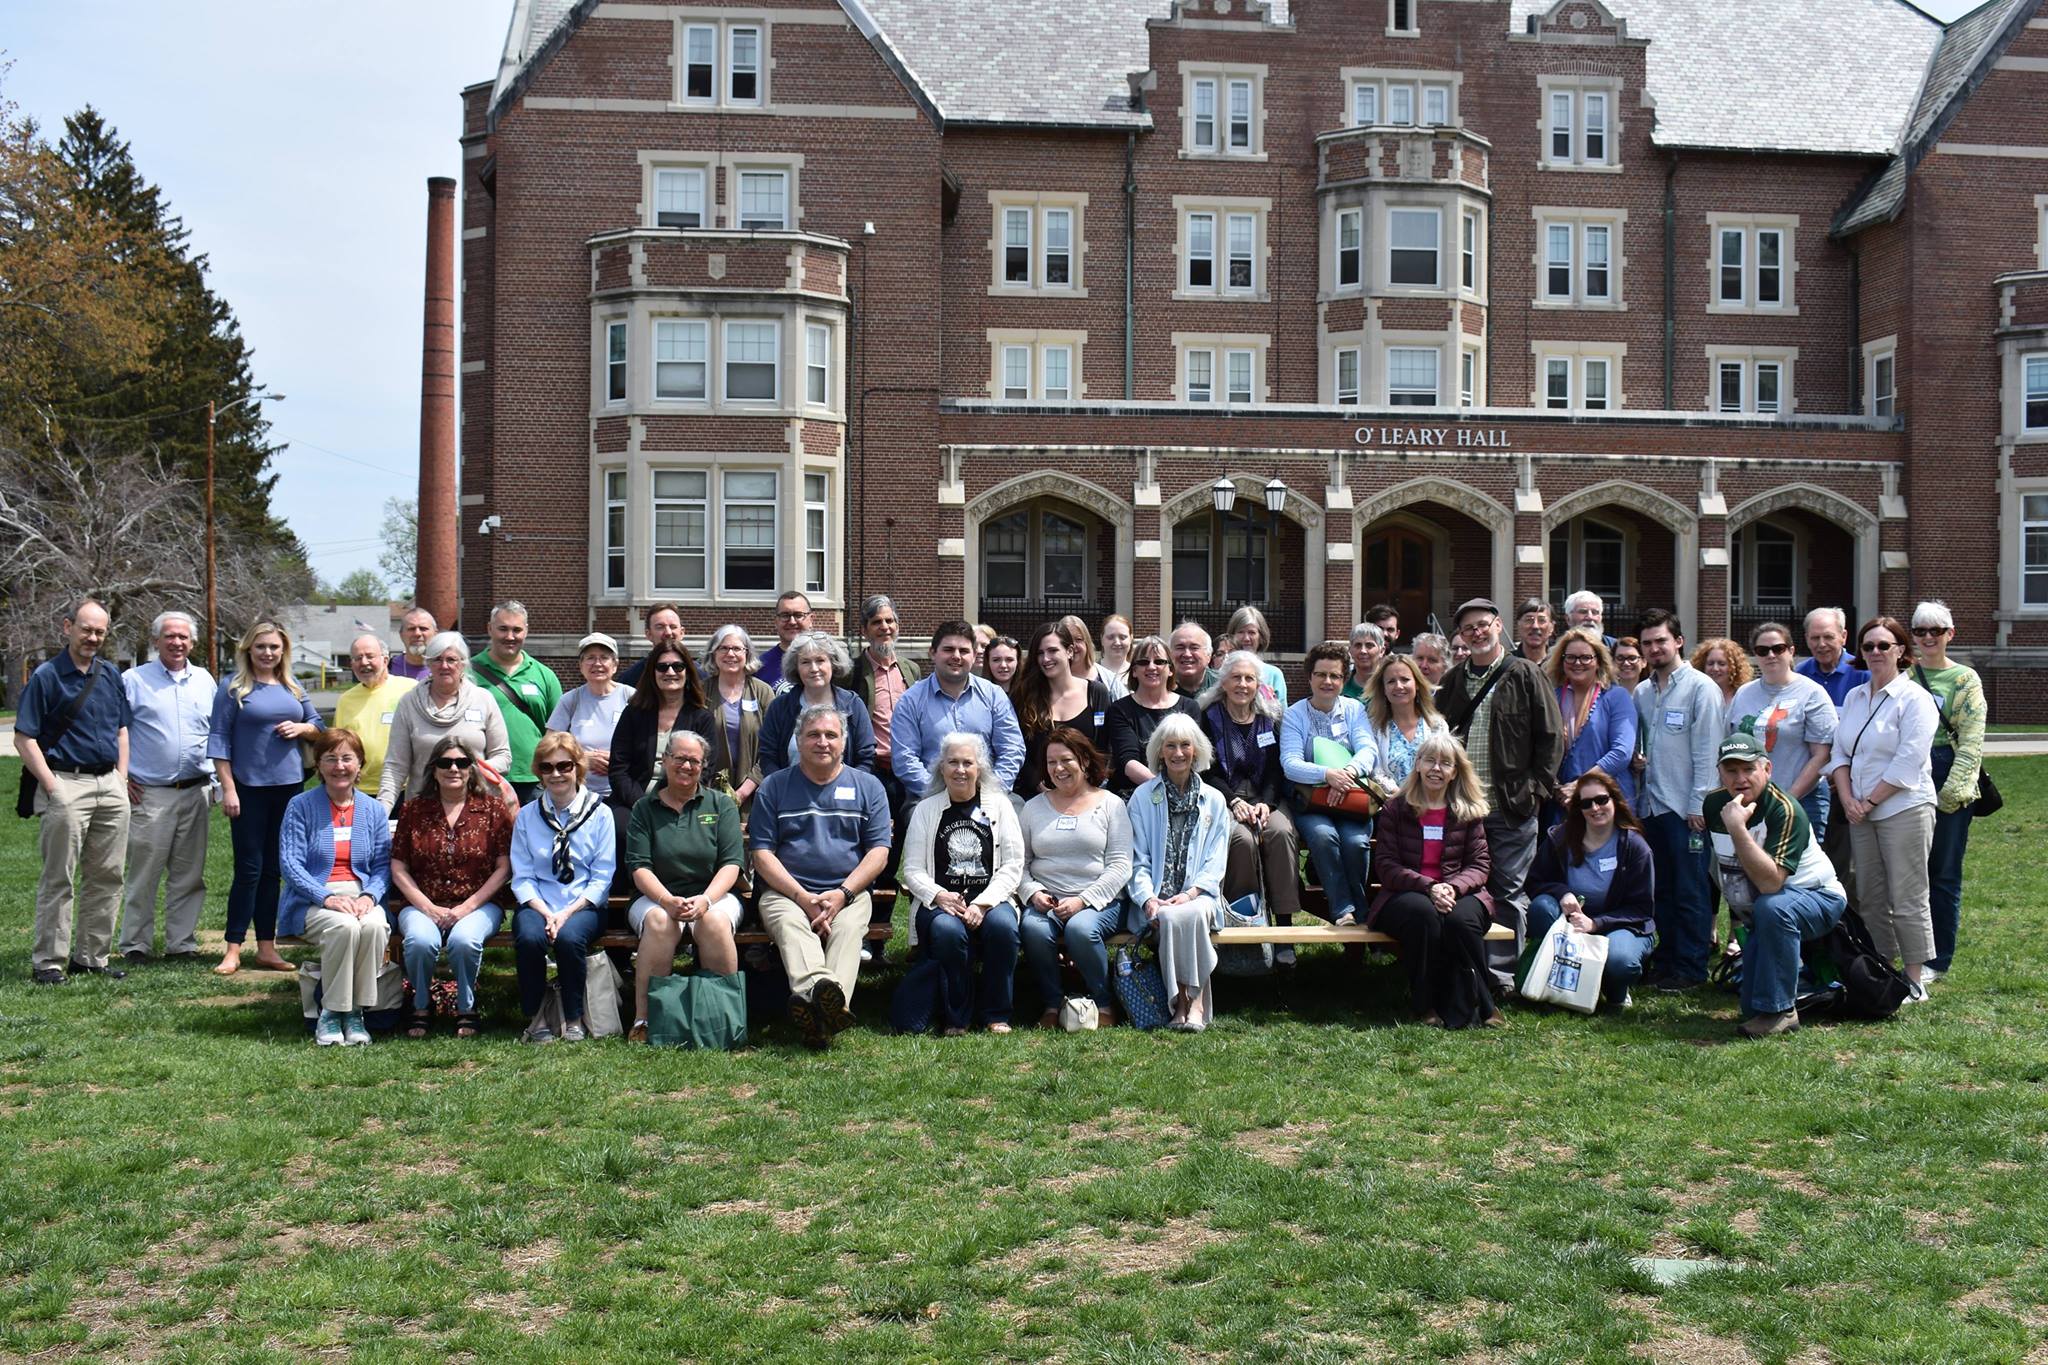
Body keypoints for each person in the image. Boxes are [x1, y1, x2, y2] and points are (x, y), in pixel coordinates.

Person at [1436, 598, 1567, 989]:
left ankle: (1502, 978)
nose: (1476, 632)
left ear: (1498, 626)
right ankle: (1465, 968)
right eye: (1467, 628)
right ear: (1460, 636)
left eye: (1483, 624)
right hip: (1461, 808)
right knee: (1464, 890)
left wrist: (1536, 791)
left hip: (1511, 806)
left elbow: (1551, 737)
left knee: (1509, 892)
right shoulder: (1454, 680)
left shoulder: (1525, 673)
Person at [750, 705, 893, 1048]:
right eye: (813, 734)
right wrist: (803, 898)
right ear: (798, 741)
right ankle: (830, 1005)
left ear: (844, 742)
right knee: (791, 926)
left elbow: (879, 853)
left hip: (850, 894)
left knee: (846, 931)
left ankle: (817, 1009)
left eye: (831, 735)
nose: (822, 742)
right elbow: (762, 855)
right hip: (785, 893)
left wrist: (842, 893)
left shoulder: (868, 787)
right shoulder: (774, 786)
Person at [16, 598, 133, 985]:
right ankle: (49, 962)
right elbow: (24, 737)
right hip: (67, 783)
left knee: (108, 876)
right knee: (59, 877)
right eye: (86, 629)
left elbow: (121, 729)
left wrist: (121, 777)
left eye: (100, 631)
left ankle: (91, 958)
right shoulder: (47, 676)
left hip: (109, 785)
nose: (93, 637)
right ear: (68, 627)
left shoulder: (110, 674)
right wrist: (54, 787)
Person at [1824, 615, 1938, 1000]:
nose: (1875, 652)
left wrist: (1869, 801)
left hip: (1903, 808)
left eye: (1883, 646)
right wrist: (1848, 800)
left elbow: (1908, 761)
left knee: (1907, 894)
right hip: (1858, 810)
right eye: (1868, 646)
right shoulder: (1856, 696)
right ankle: (1882, 968)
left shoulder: (1916, 700)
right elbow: (1840, 752)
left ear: (1901, 651)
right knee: (1870, 895)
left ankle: (1915, 977)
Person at [1708, 733, 1848, 1037]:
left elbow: (1771, 884)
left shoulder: (1785, 809)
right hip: (1766, 909)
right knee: (1749, 1007)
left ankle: (1782, 1011)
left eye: (1748, 769)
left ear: (1767, 770)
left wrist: (1736, 827)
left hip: (1819, 897)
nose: (1740, 778)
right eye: (1731, 770)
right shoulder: (1713, 805)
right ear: (1720, 773)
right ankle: (1774, 1001)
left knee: (1774, 906)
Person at [210, 619, 324, 977]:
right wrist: (228, 788)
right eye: (261, 647)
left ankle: (266, 948)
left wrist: (303, 728)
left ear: (283, 651)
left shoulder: (292, 687)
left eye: (274, 647)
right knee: (249, 870)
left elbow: (319, 724)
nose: (267, 653)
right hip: (247, 788)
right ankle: (232, 949)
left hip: (289, 790)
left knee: (274, 871)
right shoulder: (233, 687)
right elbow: (218, 740)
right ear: (248, 649)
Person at [1368, 733, 1501, 1029]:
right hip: (1404, 894)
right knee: (1425, 915)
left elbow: (1480, 865)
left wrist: (1451, 888)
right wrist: (1429, 887)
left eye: (1445, 763)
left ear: (1456, 771)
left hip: (1460, 892)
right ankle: (1425, 1005)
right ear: (1417, 765)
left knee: (1461, 921)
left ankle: (1485, 1004)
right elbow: (1386, 865)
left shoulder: (1469, 811)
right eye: (1429, 760)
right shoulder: (1396, 808)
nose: (1436, 769)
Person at [899, 732, 1026, 1034]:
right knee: (947, 931)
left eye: (967, 762)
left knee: (1003, 928)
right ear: (941, 768)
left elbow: (1013, 865)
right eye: (952, 762)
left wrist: (983, 903)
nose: (960, 769)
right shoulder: (925, 810)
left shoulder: (1000, 806)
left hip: (992, 899)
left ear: (979, 768)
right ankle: (957, 1016)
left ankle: (997, 1013)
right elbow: (912, 870)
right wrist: (940, 895)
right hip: (941, 902)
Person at [623, 729, 743, 1043]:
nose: (687, 766)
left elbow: (731, 863)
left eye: (695, 761)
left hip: (714, 894)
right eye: (680, 758)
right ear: (665, 760)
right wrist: (666, 900)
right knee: (661, 923)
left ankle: (724, 1022)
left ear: (704, 766)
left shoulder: (721, 805)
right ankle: (646, 1020)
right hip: (655, 897)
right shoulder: (644, 808)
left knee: (715, 922)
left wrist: (705, 900)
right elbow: (639, 868)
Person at [390, 736, 514, 1039]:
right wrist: (426, 906)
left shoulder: (493, 810)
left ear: (472, 769)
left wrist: (466, 907)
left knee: (465, 941)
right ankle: (421, 1004)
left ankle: (466, 1006)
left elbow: (504, 867)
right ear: (433, 770)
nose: (454, 768)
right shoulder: (414, 810)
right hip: (423, 902)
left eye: (462, 762)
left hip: (478, 903)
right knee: (419, 941)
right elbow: (398, 866)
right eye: (445, 763)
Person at [1631, 608, 1726, 991]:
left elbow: (1709, 751)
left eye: (1660, 641)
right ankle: (1667, 959)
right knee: (1662, 889)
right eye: (1647, 643)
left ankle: (1691, 966)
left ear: (1678, 642)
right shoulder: (1641, 691)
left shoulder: (1701, 688)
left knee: (1691, 889)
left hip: (1686, 810)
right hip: (1651, 805)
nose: (1654, 649)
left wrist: (1698, 805)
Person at [279, 729, 393, 1046]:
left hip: (362, 896)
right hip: (313, 899)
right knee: (343, 928)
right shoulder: (299, 806)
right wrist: (327, 897)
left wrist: (370, 896)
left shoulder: (372, 810)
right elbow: (291, 864)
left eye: (347, 758)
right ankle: (332, 1011)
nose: (339, 766)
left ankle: (355, 1010)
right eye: (330, 759)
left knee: (373, 927)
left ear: (360, 765)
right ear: (318, 765)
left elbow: (383, 865)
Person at [118, 609, 215, 964]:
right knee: (144, 873)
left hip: (197, 790)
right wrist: (122, 776)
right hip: (150, 793)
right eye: (170, 636)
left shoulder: (205, 680)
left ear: (192, 642)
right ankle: (135, 945)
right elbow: (117, 731)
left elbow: (214, 734)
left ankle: (181, 944)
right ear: (156, 640)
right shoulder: (133, 680)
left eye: (183, 637)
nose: (177, 642)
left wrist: (218, 782)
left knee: (189, 875)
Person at [1019, 730, 1134, 1027]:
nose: (1058, 768)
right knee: (1032, 927)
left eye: (1066, 760)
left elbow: (1121, 864)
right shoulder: (1033, 808)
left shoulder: (1111, 804)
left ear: (1084, 760)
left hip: (1100, 901)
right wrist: (1033, 893)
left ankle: (1105, 1001)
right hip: (1049, 901)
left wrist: (1083, 900)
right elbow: (1020, 864)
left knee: (1080, 930)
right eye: (1051, 762)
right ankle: (1052, 1004)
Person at [510, 732, 618, 1043]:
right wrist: (546, 914)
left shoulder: (600, 813)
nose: (556, 774)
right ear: (538, 772)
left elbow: (602, 875)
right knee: (530, 937)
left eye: (564, 766)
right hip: (539, 903)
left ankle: (573, 1017)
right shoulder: (528, 816)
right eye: (547, 768)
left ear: (578, 768)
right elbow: (523, 875)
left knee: (570, 939)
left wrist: (566, 913)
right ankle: (536, 1016)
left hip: (583, 904)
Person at [1198, 651, 1302, 962]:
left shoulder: (1268, 718)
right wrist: (1233, 801)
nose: (1243, 684)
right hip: (1225, 797)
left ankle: (1283, 932)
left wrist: (1267, 805)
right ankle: (1244, 927)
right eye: (1236, 677)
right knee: (1240, 840)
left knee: (1281, 834)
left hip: (1266, 797)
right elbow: (1206, 770)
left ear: (1258, 683)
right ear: (1223, 682)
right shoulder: (1208, 717)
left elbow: (1275, 769)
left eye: (1249, 678)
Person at [1129, 713, 1229, 1031]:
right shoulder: (1143, 798)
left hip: (1201, 896)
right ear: (1159, 751)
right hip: (1157, 899)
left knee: (1188, 914)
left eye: (1185, 745)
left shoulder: (1214, 800)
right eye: (1170, 745)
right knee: (1170, 916)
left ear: (1196, 751)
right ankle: (1188, 1001)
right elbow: (1137, 860)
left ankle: (1188, 1002)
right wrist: (1149, 900)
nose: (1178, 753)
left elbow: (1216, 861)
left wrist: (1189, 894)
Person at [1526, 769, 1656, 1009]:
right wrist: (1562, 892)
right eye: (1586, 803)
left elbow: (1641, 909)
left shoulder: (1635, 848)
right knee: (1541, 908)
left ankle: (1615, 992)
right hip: (1571, 924)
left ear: (1615, 801)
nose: (1595, 808)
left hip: (1620, 926)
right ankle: (1552, 983)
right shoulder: (1560, 838)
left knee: (1621, 960)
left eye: (1601, 800)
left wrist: (1597, 924)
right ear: (1579, 809)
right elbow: (1534, 881)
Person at [1907, 600, 1985, 981]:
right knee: (1911, 871)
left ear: (1949, 634)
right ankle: (1910, 951)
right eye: (1920, 631)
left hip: (1948, 774)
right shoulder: (1905, 676)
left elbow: (1972, 740)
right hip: (1909, 774)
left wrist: (1951, 792)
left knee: (1943, 872)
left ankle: (1937, 960)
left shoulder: (1964, 679)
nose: (1927, 638)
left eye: (1935, 631)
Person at [1280, 641, 1380, 928]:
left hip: (1350, 796)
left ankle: (1361, 911)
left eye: (1335, 676)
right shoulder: (1294, 714)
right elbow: (1290, 763)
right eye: (1321, 674)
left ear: (1343, 679)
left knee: (1356, 842)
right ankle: (1344, 910)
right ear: (1309, 677)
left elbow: (1367, 751)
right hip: (1312, 800)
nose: (1328, 681)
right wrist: (1327, 775)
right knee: (1324, 838)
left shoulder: (1354, 709)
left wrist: (1346, 773)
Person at [1726, 621, 1836, 841]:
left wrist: (1786, 800)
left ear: (1791, 651)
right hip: (1752, 802)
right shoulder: (1744, 693)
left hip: (1801, 800)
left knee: (1799, 872)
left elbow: (1822, 755)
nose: (1771, 655)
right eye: (1762, 650)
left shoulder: (1812, 693)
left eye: (1778, 648)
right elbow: (1730, 746)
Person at [892, 619, 1026, 798]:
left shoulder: (994, 696)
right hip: (929, 798)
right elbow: (904, 759)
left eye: (964, 651)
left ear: (974, 655)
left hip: (990, 796)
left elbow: (1012, 749)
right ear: (933, 653)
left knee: (1018, 817)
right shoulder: (910, 701)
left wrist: (991, 792)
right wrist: (942, 795)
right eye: (948, 649)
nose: (956, 656)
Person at [380, 631, 513, 810]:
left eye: (451, 660)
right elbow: (395, 766)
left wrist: (469, 769)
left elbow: (503, 757)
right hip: (423, 809)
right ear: (428, 663)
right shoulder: (408, 702)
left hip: (476, 808)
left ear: (463, 663)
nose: (444, 666)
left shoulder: (483, 699)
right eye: (437, 659)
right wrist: (381, 812)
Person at [607, 640, 717, 814]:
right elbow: (619, 768)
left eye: (678, 666)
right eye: (662, 667)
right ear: (653, 673)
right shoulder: (633, 714)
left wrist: (670, 802)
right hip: (632, 803)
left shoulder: (702, 718)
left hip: (683, 801)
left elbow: (706, 770)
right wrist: (641, 805)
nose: (670, 672)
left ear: (688, 672)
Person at [470, 600, 563, 803]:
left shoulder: (544, 675)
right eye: (503, 629)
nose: (510, 636)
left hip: (534, 778)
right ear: (490, 629)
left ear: (526, 631)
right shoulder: (468, 673)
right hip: (484, 776)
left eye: (516, 630)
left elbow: (559, 732)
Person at [1011, 622, 1114, 797]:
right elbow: (1018, 750)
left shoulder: (1096, 693)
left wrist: (1089, 785)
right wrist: (1038, 785)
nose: (1046, 659)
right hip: (1039, 798)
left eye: (1052, 651)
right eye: (1040, 653)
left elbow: (1106, 748)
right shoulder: (1024, 697)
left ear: (1069, 651)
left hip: (1089, 794)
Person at [1546, 629, 1637, 824]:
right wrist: (1556, 788)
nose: (1577, 663)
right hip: (1563, 805)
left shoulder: (1616, 697)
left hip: (1607, 802)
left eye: (1586, 657)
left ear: (1598, 661)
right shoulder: (1551, 697)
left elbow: (1621, 752)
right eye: (1570, 657)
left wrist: (1580, 786)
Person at [758, 631, 878, 776]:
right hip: (788, 795)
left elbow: (866, 758)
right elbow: (768, 757)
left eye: (820, 660)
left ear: (833, 664)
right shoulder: (780, 707)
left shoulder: (853, 705)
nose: (814, 669)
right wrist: (781, 790)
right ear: (796, 667)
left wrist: (850, 788)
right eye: (805, 662)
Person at [850, 595, 922, 820]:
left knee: (907, 836)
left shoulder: (911, 670)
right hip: (872, 769)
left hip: (907, 770)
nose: (885, 627)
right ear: (865, 630)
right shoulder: (850, 672)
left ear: (897, 626)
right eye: (876, 622)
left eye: (890, 621)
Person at [1105, 635, 1200, 798]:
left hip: (1183, 792)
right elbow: (1128, 762)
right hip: (1133, 795)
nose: (1151, 667)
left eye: (1159, 661)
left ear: (1170, 669)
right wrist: (1166, 789)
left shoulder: (1190, 707)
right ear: (1134, 671)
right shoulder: (1119, 710)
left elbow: (1197, 756)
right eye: (1143, 662)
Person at [546, 632, 633, 803]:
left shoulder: (631, 697)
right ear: (581, 665)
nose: (597, 663)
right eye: (590, 658)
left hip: (623, 793)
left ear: (615, 665)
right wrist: (582, 759)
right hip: (579, 794)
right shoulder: (570, 700)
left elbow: (647, 744)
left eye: (604, 657)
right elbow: (549, 748)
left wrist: (618, 759)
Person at [702, 623, 775, 815]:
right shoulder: (700, 692)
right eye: (723, 648)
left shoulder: (763, 692)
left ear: (747, 653)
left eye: (737, 648)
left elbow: (773, 746)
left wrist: (743, 791)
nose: (730, 654)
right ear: (713, 654)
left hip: (755, 792)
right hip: (707, 792)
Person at [332, 633, 416, 799]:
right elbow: (339, 745)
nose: (364, 663)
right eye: (358, 658)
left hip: (404, 788)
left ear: (385, 660)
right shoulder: (345, 700)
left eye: (370, 656)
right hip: (360, 791)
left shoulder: (410, 689)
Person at [1364, 652, 1448, 787]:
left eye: (1405, 679)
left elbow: (1444, 767)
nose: (1399, 686)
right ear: (1383, 689)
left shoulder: (1437, 726)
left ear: (1417, 684)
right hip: (1392, 804)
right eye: (1391, 681)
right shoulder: (1374, 728)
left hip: (1431, 803)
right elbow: (1375, 771)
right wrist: (1399, 797)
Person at [1797, 607, 1869, 709]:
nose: (1821, 644)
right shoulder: (1799, 674)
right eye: (1815, 638)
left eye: (1828, 637)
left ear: (1843, 637)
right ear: (1807, 639)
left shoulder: (1863, 673)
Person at [1223, 606, 1288, 706]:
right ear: (1232, 636)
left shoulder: (1274, 675)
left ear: (1261, 637)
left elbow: (1282, 716)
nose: (1246, 638)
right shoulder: (1222, 670)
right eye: (1241, 632)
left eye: (1251, 632)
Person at [1055, 614, 1128, 702]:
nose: (1073, 645)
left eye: (1078, 639)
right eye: (1068, 640)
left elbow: (1127, 712)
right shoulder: (1051, 680)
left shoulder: (1109, 681)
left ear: (1087, 643)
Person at [616, 601, 684, 688]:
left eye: (673, 627)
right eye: (660, 627)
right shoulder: (631, 679)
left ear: (682, 632)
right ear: (649, 634)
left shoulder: (700, 676)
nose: (668, 632)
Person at [756, 590, 813, 691]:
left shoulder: (827, 662)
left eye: (798, 615)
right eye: (785, 615)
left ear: (811, 619)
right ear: (776, 621)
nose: (792, 622)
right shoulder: (760, 665)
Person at [1691, 637, 1751, 710]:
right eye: (1710, 663)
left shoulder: (1744, 696)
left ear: (1734, 667)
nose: (1715, 668)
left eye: (1721, 664)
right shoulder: (1694, 696)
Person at [1168, 621, 1218, 699]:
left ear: (1208, 655)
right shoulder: (1159, 687)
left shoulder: (1222, 685)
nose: (1187, 654)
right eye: (1180, 648)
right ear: (1169, 654)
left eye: (1194, 648)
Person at [389, 606, 439, 681]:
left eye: (423, 628)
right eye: (411, 629)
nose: (417, 633)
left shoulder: (446, 668)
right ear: (401, 635)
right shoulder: (387, 669)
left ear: (435, 634)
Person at [1341, 622, 1387, 700]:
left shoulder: (1389, 685)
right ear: (1350, 651)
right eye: (1358, 645)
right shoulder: (1340, 685)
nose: (1363, 651)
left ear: (1382, 651)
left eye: (1369, 645)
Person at [1098, 614, 1134, 692]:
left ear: (1131, 639)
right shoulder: (1092, 673)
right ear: (1102, 639)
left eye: (1122, 637)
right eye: (1110, 637)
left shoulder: (1138, 674)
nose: (1117, 643)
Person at [1515, 598, 1554, 664]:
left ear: (1552, 628)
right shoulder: (1507, 666)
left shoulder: (1559, 665)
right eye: (1529, 620)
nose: (1535, 626)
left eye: (1541, 620)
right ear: (1518, 625)